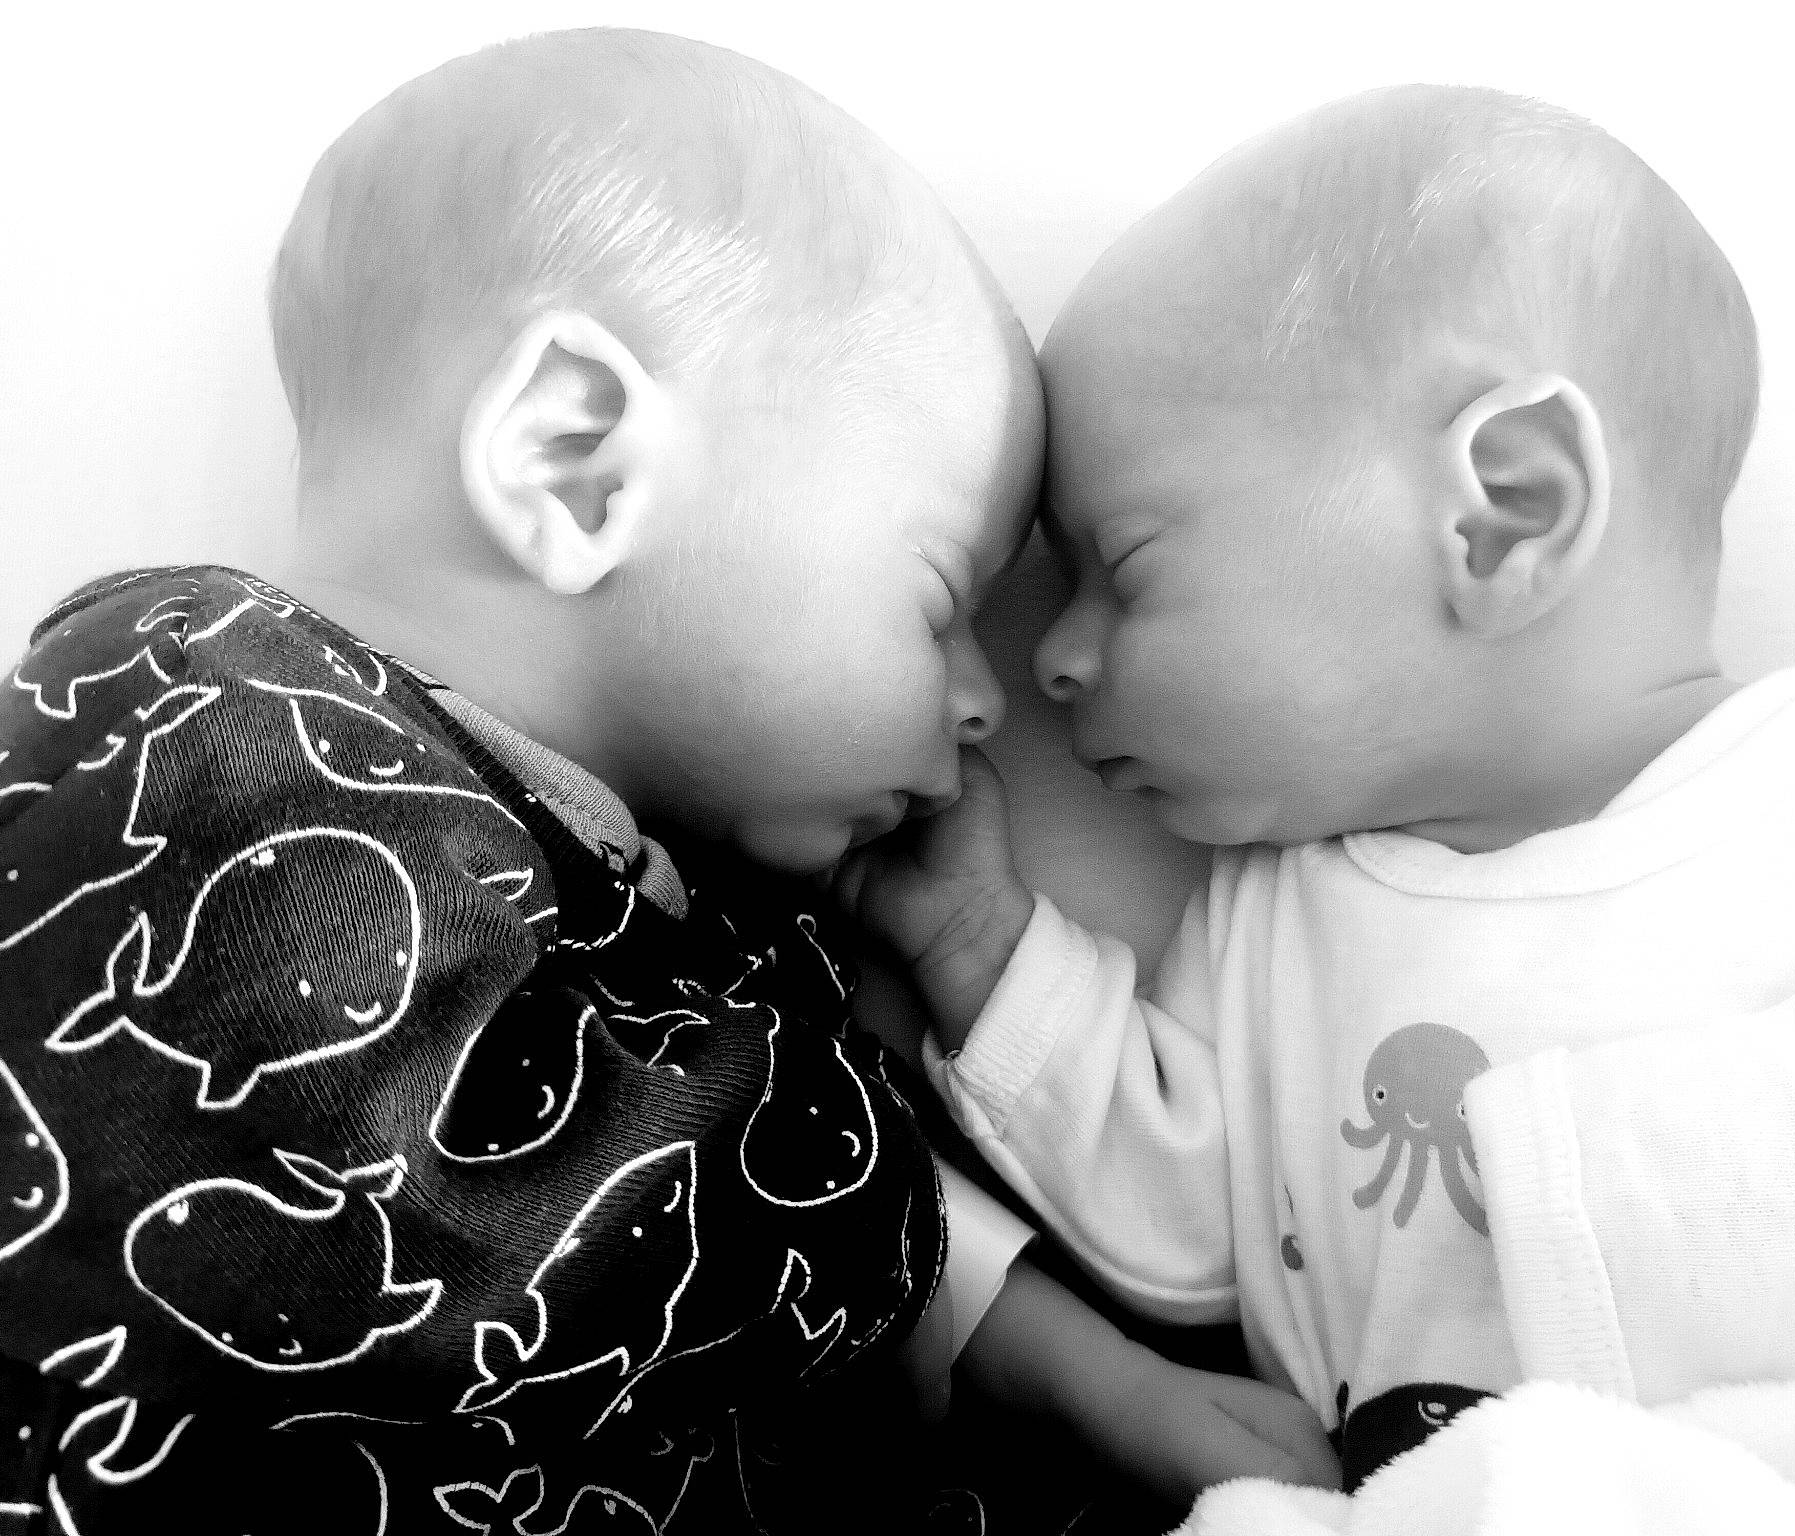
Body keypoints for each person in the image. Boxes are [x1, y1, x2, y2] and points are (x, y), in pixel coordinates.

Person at [0, 28, 1334, 1533]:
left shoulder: (596, 891)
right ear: (575, 463)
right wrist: (812, 1021)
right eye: (944, 596)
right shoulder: (202, 712)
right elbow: (592, 1218)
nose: (985, 702)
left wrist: (1090, 1376)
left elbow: (668, 1195)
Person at [846, 84, 1795, 1490]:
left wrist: (1591, 1203)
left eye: (1129, 565)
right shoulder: (1281, 916)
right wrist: (980, 947)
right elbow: (1188, 1230)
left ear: (1507, 513)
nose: (1053, 658)